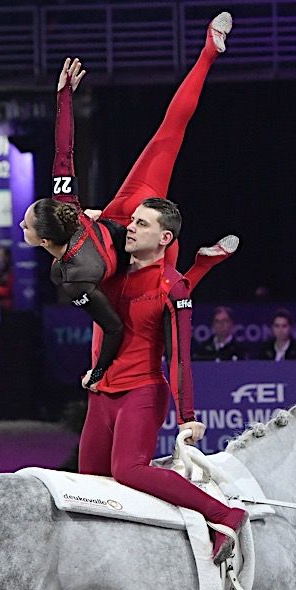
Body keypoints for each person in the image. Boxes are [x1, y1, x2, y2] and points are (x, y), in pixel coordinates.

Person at [20, 14, 238, 388]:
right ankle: (203, 264)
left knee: (167, 136)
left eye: (25, 224)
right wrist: (63, 96)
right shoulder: (66, 206)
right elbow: (63, 151)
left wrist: (97, 374)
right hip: (131, 244)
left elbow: (111, 327)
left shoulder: (71, 274)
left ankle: (208, 52)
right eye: (25, 224)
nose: (21, 227)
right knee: (164, 300)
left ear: (44, 238)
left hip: (132, 224)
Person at [79, 197, 246, 564]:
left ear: (165, 237)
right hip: (101, 393)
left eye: (142, 224)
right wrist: (88, 222)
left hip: (141, 391)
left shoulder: (173, 287)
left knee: (129, 470)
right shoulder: (112, 268)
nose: (131, 228)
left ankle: (224, 516)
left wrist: (186, 414)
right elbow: (76, 248)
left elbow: (180, 357)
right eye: (133, 221)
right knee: (89, 481)